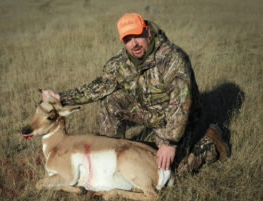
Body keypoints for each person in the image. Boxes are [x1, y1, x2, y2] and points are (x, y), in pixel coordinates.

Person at [42, 13, 229, 175]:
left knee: (168, 173)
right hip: (148, 111)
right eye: (127, 39)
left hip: (177, 118)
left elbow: (181, 102)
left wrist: (170, 142)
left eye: (137, 36)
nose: (134, 44)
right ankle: (111, 155)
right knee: (111, 100)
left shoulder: (172, 57)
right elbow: (99, 87)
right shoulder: (121, 61)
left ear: (147, 32)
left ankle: (211, 142)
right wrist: (62, 97)